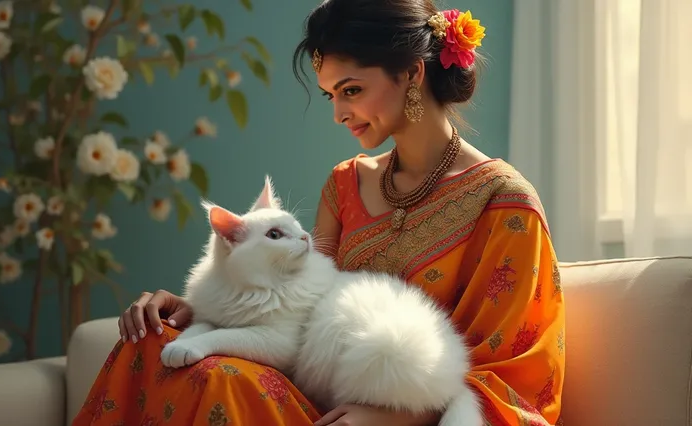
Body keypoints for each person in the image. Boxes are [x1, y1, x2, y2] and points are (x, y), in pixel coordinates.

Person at [72, 0, 566, 425]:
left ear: (412, 73)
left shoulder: (504, 204)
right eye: (332, 95)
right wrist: (193, 309)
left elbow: (514, 375)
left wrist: (396, 415)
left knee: (218, 379)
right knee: (150, 344)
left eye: (351, 90)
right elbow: (295, 300)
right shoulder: (346, 183)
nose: (339, 113)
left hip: (414, 409)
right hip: (312, 389)